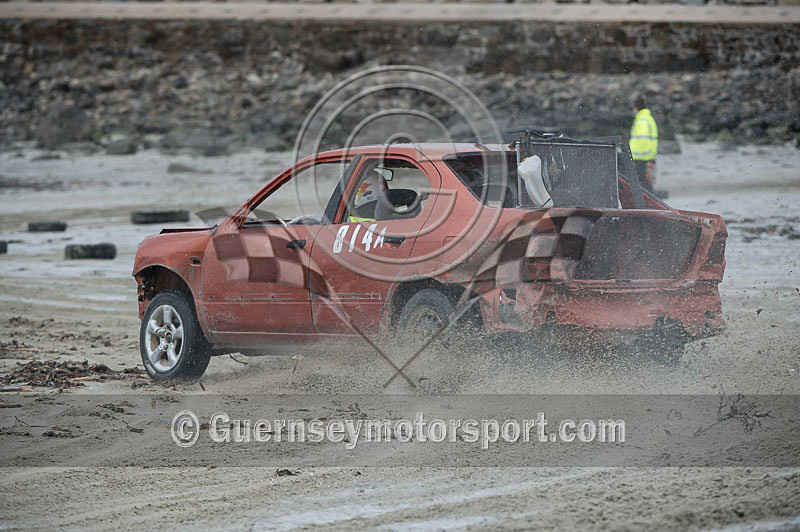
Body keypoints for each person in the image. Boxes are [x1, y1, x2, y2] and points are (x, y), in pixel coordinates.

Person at [629, 95, 658, 191]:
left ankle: (647, 203)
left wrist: (631, 155)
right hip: (647, 157)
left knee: (642, 183)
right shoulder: (647, 118)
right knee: (645, 182)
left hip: (641, 158)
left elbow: (641, 141)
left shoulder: (642, 121)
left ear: (636, 108)